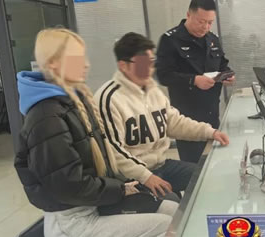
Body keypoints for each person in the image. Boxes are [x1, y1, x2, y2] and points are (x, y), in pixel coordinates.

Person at [14, 28, 174, 237]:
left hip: (91, 205)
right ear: (54, 64)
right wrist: (118, 191)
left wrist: (126, 186)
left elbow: (101, 157)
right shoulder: (47, 116)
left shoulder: (70, 101)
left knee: (172, 211)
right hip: (72, 224)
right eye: (78, 58)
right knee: (163, 228)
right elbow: (67, 185)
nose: (86, 64)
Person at [95, 32, 230, 198]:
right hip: (132, 178)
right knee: (172, 204)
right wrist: (146, 177)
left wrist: (210, 132)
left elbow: (174, 123)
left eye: (151, 62)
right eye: (142, 63)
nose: (149, 69)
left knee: (209, 178)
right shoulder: (109, 99)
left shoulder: (152, 90)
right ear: (123, 65)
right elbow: (113, 150)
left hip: (161, 165)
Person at [156, 0, 235, 163]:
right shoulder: (170, 40)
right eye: (201, 21)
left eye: (210, 22)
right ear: (188, 15)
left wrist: (227, 74)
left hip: (212, 115)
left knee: (215, 163)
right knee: (193, 168)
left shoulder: (212, 39)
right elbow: (163, 75)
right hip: (187, 120)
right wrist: (193, 80)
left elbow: (222, 64)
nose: (205, 27)